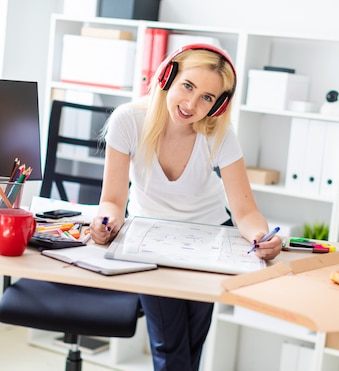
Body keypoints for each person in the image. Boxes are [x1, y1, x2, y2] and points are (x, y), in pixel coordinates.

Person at [90, 44, 282, 371]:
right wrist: (105, 221)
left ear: (219, 105)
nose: (191, 104)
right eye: (188, 86)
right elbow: (113, 200)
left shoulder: (220, 134)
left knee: (192, 344)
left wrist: (262, 237)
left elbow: (245, 212)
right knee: (170, 346)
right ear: (168, 76)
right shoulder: (128, 120)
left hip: (207, 242)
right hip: (148, 239)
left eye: (207, 97)